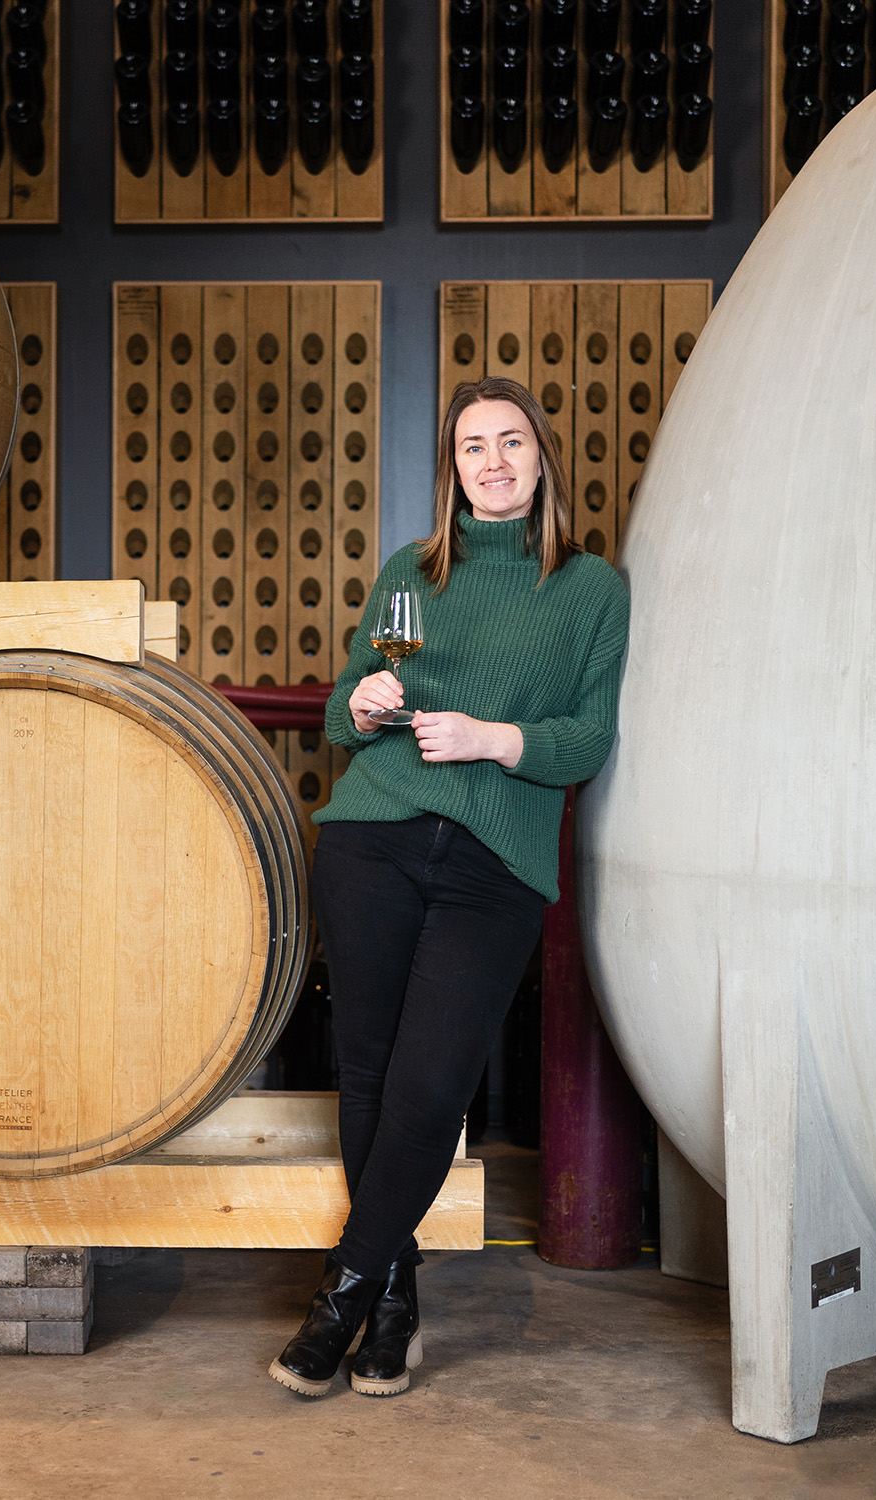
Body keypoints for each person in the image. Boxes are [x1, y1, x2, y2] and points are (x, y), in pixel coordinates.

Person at [268, 376, 631, 1398]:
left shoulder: (591, 590)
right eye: (473, 447)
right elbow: (342, 715)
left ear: (540, 457)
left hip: (491, 865)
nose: (493, 462)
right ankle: (391, 1300)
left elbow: (586, 740)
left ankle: (340, 1291)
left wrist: (490, 739)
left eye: (510, 442)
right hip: (372, 839)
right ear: (453, 469)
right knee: (370, 1080)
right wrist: (369, 698)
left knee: (430, 1090)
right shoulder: (411, 573)